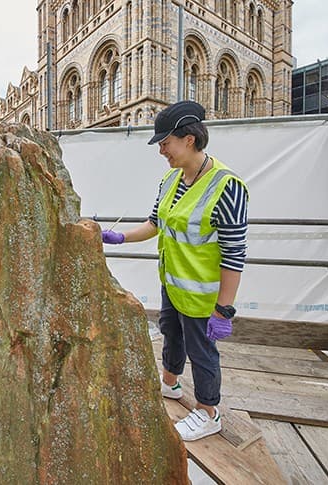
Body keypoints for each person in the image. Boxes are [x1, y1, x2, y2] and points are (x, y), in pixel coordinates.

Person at [102, 101, 248, 441]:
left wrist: (223, 309)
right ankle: (169, 383)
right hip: (172, 282)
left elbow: (234, 253)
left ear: (189, 140)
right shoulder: (171, 180)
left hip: (203, 293)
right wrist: (119, 237)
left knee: (202, 351)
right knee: (171, 332)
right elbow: (155, 223)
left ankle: (209, 412)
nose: (162, 151)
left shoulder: (227, 187)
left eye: (165, 143)